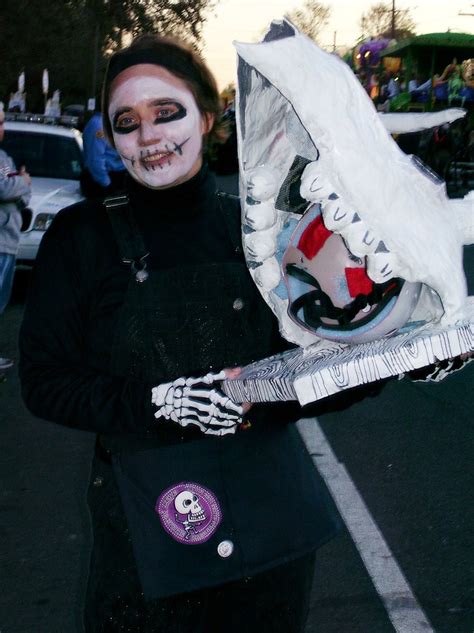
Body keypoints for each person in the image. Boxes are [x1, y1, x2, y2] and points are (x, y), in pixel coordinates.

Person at [19, 34, 341, 632]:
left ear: (208, 117)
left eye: (167, 112)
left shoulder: (261, 233)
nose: (150, 136)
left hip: (269, 535)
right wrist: (158, 404)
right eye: (127, 122)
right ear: (112, 137)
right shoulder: (78, 238)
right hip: (147, 540)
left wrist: (391, 361)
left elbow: (320, 366)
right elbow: (43, 381)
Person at [0, 104, 31, 370]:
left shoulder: (4, 156)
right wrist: (23, 182)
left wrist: (19, 185)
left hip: (8, 240)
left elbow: (19, 193)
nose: (2, 129)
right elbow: (4, 188)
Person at [80, 108, 126, 198]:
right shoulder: (98, 125)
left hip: (116, 178)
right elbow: (95, 160)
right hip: (102, 182)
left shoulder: (110, 122)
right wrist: (107, 185)